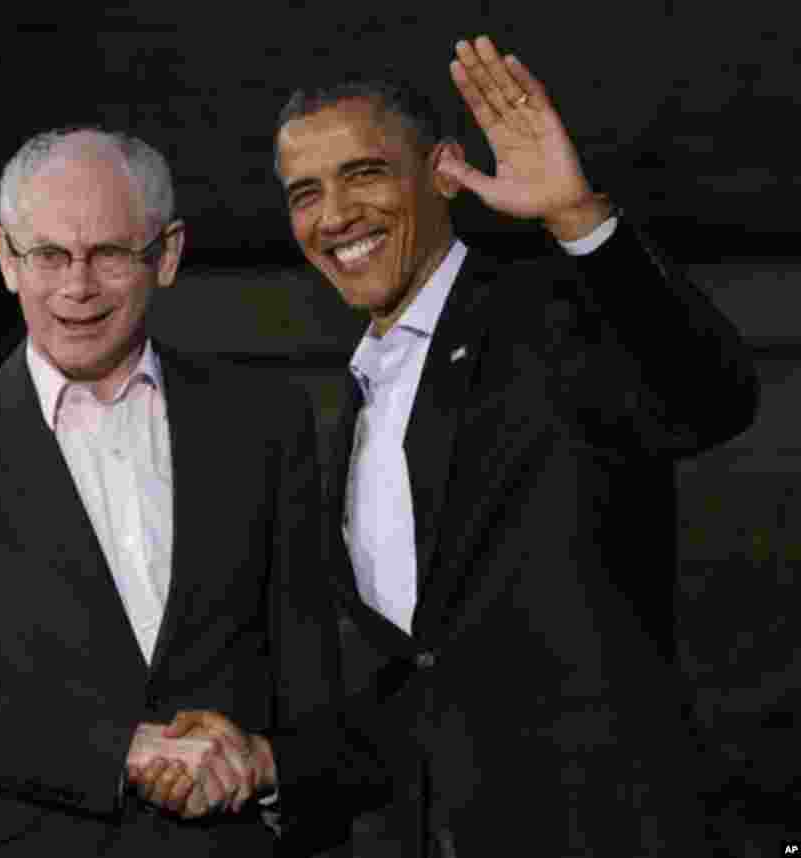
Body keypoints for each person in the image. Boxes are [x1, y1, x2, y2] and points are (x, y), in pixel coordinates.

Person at [130, 35, 760, 855]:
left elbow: (711, 397)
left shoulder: (546, 321)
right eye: (304, 193)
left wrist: (579, 220)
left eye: (364, 174)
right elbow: (426, 689)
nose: (335, 216)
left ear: (442, 172)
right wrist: (270, 762)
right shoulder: (346, 412)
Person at [0, 127, 353, 856]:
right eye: (49, 254)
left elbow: (311, 688)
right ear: (5, 259)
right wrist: (122, 752)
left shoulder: (265, 425)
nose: (76, 287)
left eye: (110, 254)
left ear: (167, 255)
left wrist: (274, 778)